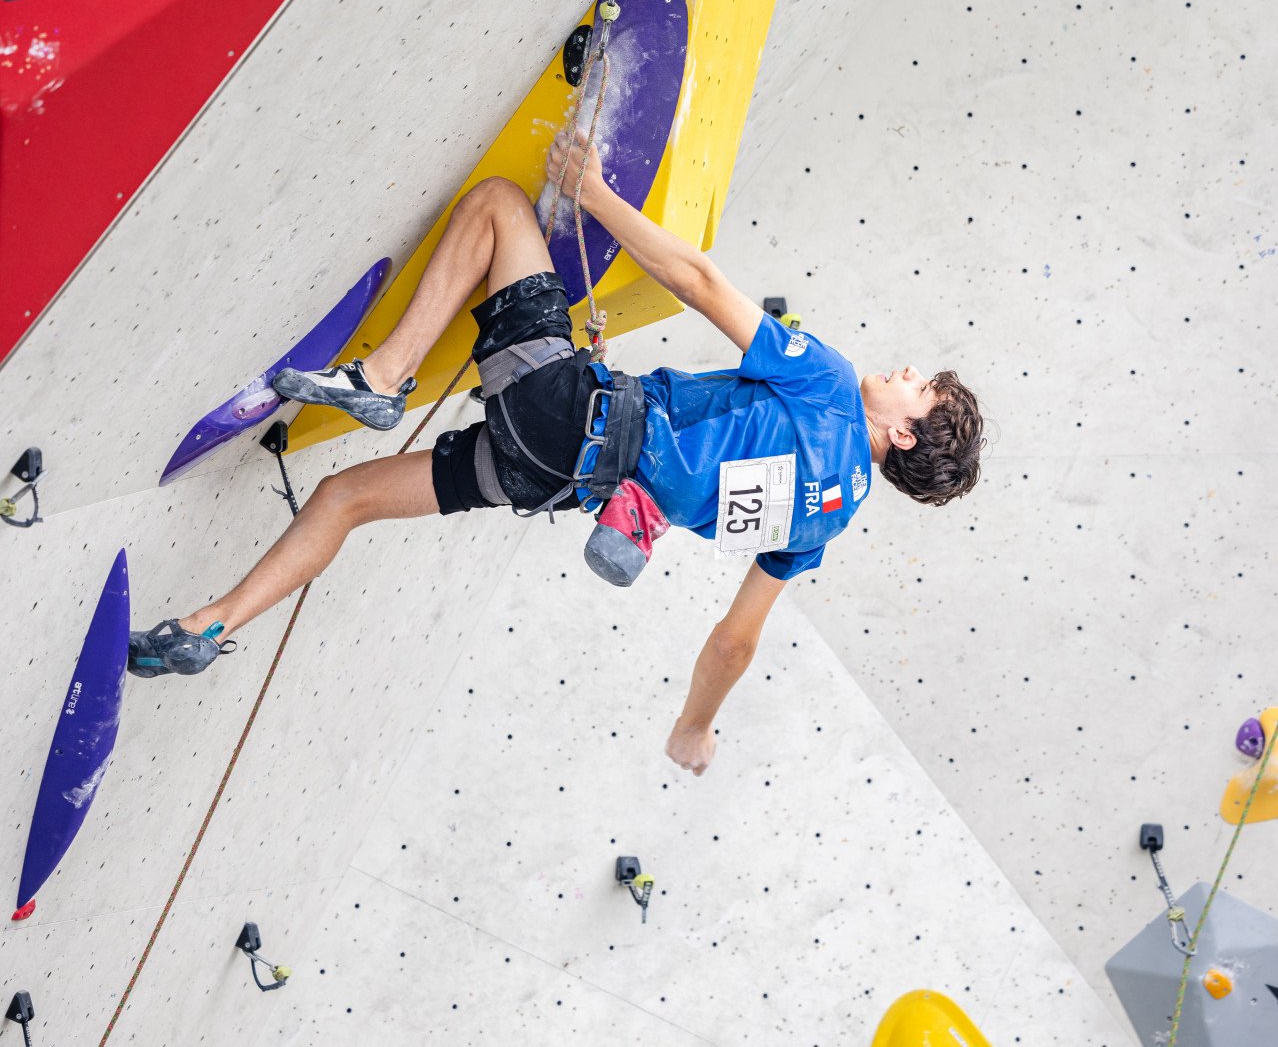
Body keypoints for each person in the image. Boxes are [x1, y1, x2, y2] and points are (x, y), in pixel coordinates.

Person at [128, 133, 985, 773]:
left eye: (921, 388)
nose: (909, 372)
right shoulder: (823, 524)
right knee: (343, 499)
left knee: (500, 203)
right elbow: (734, 641)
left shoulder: (831, 387)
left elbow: (699, 282)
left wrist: (594, 191)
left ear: (903, 432)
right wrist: (692, 727)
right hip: (553, 481)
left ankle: (383, 378)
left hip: (571, 415)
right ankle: (208, 627)